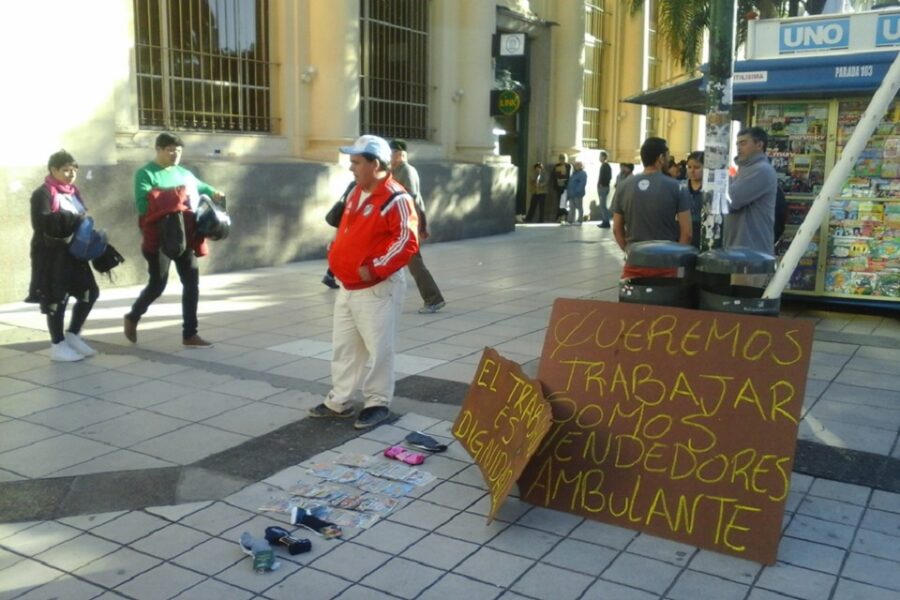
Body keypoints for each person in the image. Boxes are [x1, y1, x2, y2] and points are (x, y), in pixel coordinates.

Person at [309, 135, 419, 430]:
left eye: (356, 162)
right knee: (345, 346)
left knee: (378, 348)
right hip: (348, 285)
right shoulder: (357, 191)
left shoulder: (396, 197)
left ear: (376, 164)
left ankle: (377, 402)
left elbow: (407, 240)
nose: (351, 168)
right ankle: (339, 399)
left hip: (377, 288)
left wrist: (376, 268)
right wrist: (336, 253)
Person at [123, 133, 224, 348]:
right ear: (158, 149)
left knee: (191, 283)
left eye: (178, 150)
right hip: (159, 239)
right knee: (157, 285)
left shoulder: (184, 174)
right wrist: (176, 198)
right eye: (169, 150)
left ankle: (190, 333)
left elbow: (202, 188)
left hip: (186, 237)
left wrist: (214, 192)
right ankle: (133, 316)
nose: (174, 154)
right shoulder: (146, 174)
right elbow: (143, 206)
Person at [28, 150, 100, 362]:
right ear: (53, 170)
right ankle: (57, 344)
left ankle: (73, 334)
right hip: (52, 255)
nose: (71, 174)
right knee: (57, 299)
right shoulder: (43, 193)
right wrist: (71, 219)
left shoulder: (72, 191)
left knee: (90, 292)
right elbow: (41, 223)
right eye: (66, 170)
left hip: (75, 253)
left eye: (73, 170)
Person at [610, 137, 692, 279]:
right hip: (666, 264)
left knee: (633, 300)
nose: (669, 159)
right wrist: (675, 258)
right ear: (660, 158)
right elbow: (687, 233)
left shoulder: (623, 186)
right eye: (667, 155)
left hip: (634, 264)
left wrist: (631, 252)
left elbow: (617, 229)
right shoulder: (678, 188)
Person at [389, 139, 446, 314]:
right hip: (399, 224)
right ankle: (386, 299)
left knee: (414, 263)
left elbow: (410, 200)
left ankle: (433, 299)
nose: (388, 157)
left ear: (400, 154)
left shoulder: (406, 171)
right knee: (391, 261)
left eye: (391, 153)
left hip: (407, 225)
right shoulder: (395, 171)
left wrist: (418, 228)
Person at [726, 127, 776, 254]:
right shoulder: (744, 169)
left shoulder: (762, 170)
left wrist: (719, 177)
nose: (738, 148)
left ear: (759, 145)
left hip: (752, 251)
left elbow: (733, 199)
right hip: (738, 247)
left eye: (743, 143)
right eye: (737, 144)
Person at [683, 151, 704, 249]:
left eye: (697, 167)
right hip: (683, 231)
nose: (692, 171)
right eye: (689, 167)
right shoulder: (681, 186)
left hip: (702, 233)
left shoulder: (710, 190)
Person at [552, 153, 572, 223]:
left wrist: (565, 181)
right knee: (559, 202)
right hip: (558, 187)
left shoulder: (568, 166)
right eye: (560, 158)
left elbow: (569, 176)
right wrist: (557, 180)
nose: (562, 160)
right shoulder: (556, 166)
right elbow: (553, 175)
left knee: (564, 202)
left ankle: (563, 216)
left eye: (563, 158)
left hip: (565, 187)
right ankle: (560, 216)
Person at [596, 152, 612, 228]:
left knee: (603, 205)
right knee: (602, 205)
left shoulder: (606, 166)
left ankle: (606, 221)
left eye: (600, 156)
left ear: (603, 157)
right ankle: (604, 220)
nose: (599, 158)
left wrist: (602, 184)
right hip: (602, 187)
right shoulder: (603, 165)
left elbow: (608, 176)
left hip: (604, 187)